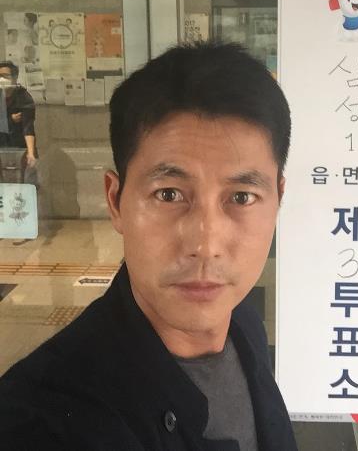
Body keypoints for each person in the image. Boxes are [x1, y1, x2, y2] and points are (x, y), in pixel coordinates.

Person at [0, 42, 298, 451]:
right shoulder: (40, 420)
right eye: (169, 194)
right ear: (115, 201)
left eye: (242, 197)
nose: (205, 244)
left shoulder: (243, 320)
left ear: (278, 199)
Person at [0, 60, 37, 178]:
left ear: (14, 78)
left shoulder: (23, 97)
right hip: (2, 144)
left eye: (5, 76)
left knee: (25, 180)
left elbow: (28, 127)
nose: (1, 79)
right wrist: (10, 119)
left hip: (19, 145)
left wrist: (30, 152)